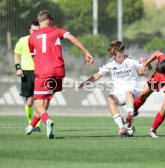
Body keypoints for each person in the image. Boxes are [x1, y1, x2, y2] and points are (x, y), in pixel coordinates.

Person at [25, 10, 93, 139]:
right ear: (48, 20)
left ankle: (47, 121)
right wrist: (86, 52)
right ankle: (32, 125)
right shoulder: (57, 31)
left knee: (38, 103)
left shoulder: (32, 37)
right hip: (58, 72)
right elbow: (72, 38)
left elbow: (34, 56)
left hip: (43, 72)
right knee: (46, 99)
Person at [78, 40, 147, 136]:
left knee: (128, 92)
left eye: (116, 55)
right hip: (119, 92)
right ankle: (122, 127)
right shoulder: (110, 63)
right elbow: (98, 75)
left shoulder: (131, 60)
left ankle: (129, 118)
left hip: (133, 91)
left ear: (122, 52)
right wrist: (83, 84)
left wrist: (145, 62)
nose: (114, 57)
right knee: (110, 98)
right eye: (113, 55)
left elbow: (146, 67)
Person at [14, 21, 42, 132]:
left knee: (39, 100)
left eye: (38, 30)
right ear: (29, 30)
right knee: (29, 102)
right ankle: (31, 123)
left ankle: (37, 125)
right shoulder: (22, 40)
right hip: (26, 73)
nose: (36, 32)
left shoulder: (42, 41)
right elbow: (16, 54)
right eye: (33, 30)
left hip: (40, 72)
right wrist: (18, 68)